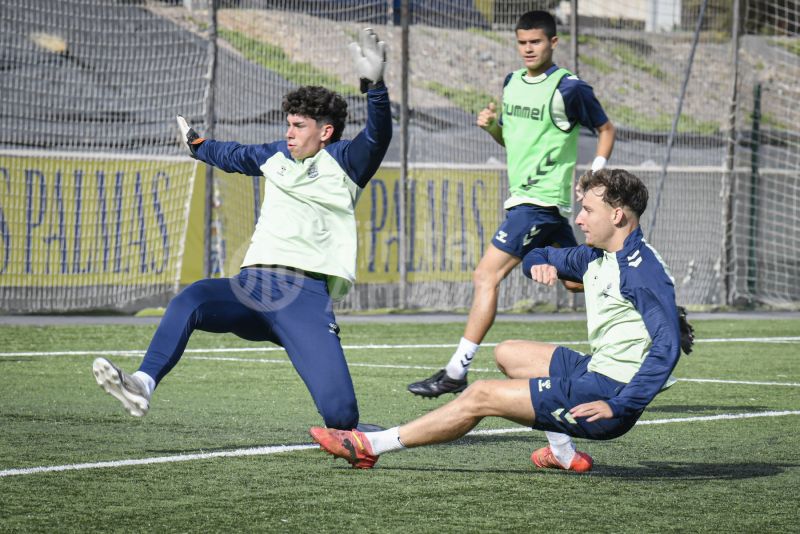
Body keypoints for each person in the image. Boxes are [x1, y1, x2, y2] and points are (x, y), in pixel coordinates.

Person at [91, 29, 392, 431]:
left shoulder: (347, 161)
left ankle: (374, 434)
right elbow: (234, 155)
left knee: (341, 418)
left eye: (299, 125)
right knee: (192, 297)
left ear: (325, 132)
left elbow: (378, 135)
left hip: (303, 298)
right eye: (288, 124)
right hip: (251, 287)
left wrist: (375, 88)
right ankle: (143, 383)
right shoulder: (276, 155)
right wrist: (197, 146)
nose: (289, 132)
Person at [311, 169, 686, 471]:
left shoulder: (641, 270)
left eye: (588, 210)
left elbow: (667, 348)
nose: (580, 218)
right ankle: (562, 453)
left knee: (481, 394)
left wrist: (621, 405)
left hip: (610, 395)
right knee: (508, 353)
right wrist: (539, 266)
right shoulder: (597, 256)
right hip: (595, 370)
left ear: (617, 215)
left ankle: (370, 446)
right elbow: (538, 254)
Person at [407, 10, 615, 399]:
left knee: (485, 276)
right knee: (576, 281)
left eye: (535, 42)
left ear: (553, 42)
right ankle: (646, 298)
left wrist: (595, 174)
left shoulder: (569, 88)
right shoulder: (511, 83)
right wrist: (493, 128)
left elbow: (605, 129)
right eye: (522, 42)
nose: (528, 49)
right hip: (532, 204)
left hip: (539, 203)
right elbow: (513, 141)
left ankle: (456, 371)